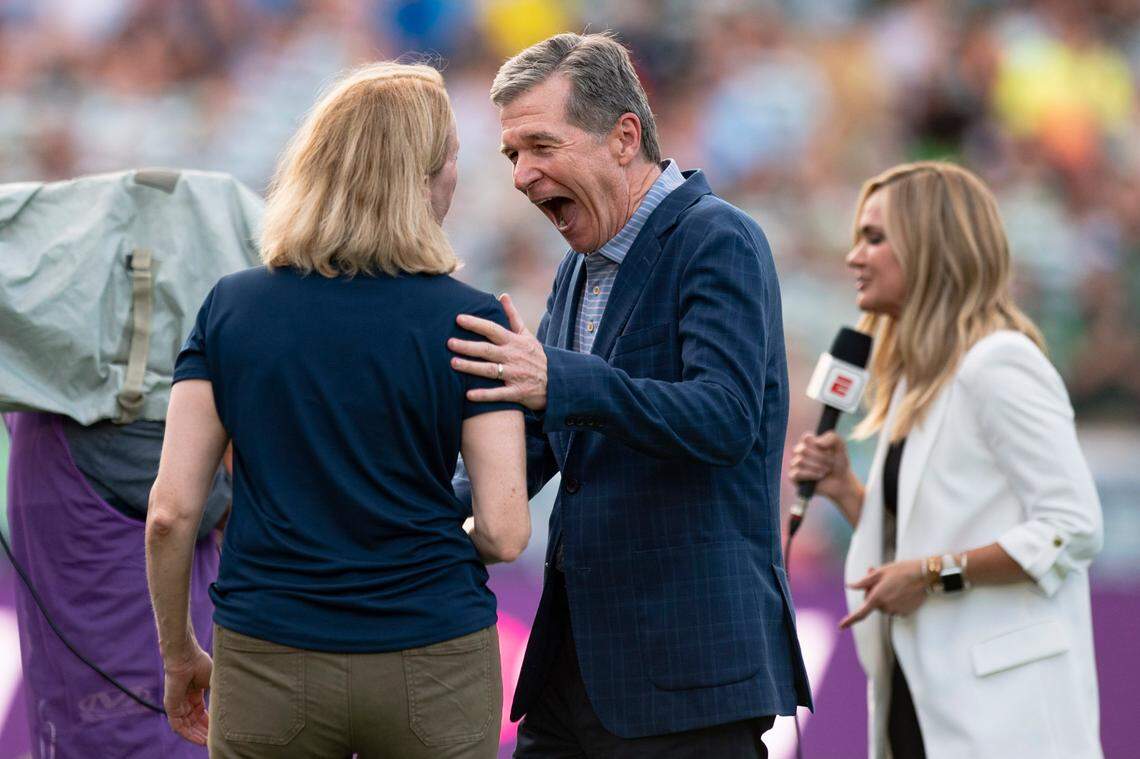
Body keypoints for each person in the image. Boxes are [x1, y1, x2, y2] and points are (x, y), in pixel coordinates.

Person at [145, 62, 529, 759]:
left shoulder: (232, 308)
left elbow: (170, 512)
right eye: (451, 162)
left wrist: (180, 655)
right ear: (421, 179)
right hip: (431, 653)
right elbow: (504, 532)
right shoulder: (472, 322)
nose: (454, 179)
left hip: (268, 653)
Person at [449, 32, 811, 757]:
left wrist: (560, 379)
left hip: (686, 677)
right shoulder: (578, 269)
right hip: (573, 672)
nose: (522, 176)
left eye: (541, 147)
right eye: (512, 155)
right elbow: (545, 440)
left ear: (623, 137)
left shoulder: (719, 238)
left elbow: (725, 417)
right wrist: (411, 507)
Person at [789, 161, 1103, 758]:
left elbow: (1073, 530)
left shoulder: (1000, 363)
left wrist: (934, 575)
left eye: (875, 238)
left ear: (932, 249)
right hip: (925, 700)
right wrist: (849, 493)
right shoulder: (919, 380)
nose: (854, 256)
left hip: (1005, 716)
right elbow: (922, 544)